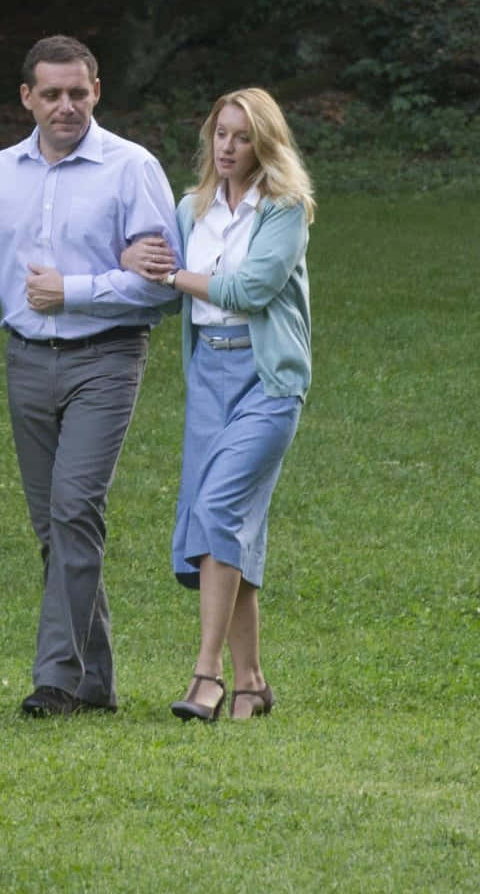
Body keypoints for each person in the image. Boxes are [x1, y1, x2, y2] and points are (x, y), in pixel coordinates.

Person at [0, 35, 181, 717]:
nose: (66, 106)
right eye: (52, 94)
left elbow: (165, 287)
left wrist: (76, 290)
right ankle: (96, 682)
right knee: (55, 526)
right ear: (27, 98)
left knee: (74, 509)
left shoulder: (133, 170)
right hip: (26, 360)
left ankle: (56, 681)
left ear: (97, 91)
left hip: (108, 358)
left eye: (79, 92)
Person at [120, 86, 314, 722]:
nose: (228, 147)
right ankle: (252, 683)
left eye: (243, 137)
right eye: (221, 134)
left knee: (216, 510)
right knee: (228, 528)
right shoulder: (190, 208)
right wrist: (132, 259)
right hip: (209, 375)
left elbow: (252, 287)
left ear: (265, 144)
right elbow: (159, 280)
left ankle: (206, 676)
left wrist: (173, 275)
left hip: (267, 378)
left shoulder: (284, 210)